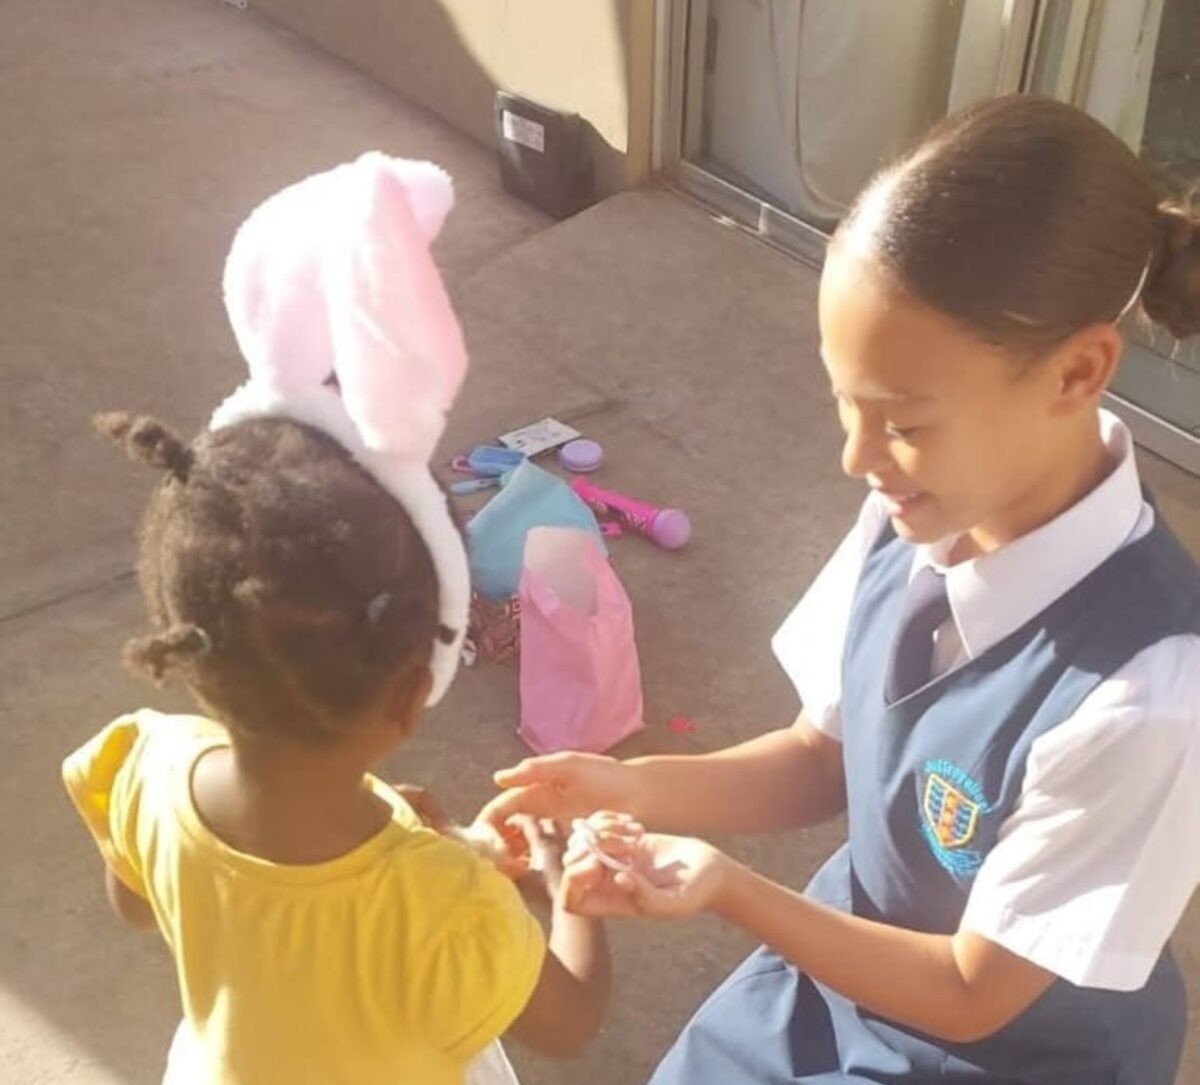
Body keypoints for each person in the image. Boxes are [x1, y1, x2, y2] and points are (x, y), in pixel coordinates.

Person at [483, 95, 1200, 1084]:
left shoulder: (1151, 689)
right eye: (844, 403)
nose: (857, 456)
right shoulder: (920, 511)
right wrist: (632, 785)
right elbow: (823, 753)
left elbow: (970, 990)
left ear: (1077, 372)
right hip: (850, 960)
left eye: (902, 420)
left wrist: (727, 889)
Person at [62, 153, 610, 1085]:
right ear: (411, 693)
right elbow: (569, 1020)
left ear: (184, 639)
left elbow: (138, 902)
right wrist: (573, 891)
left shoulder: (145, 762)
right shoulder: (443, 906)